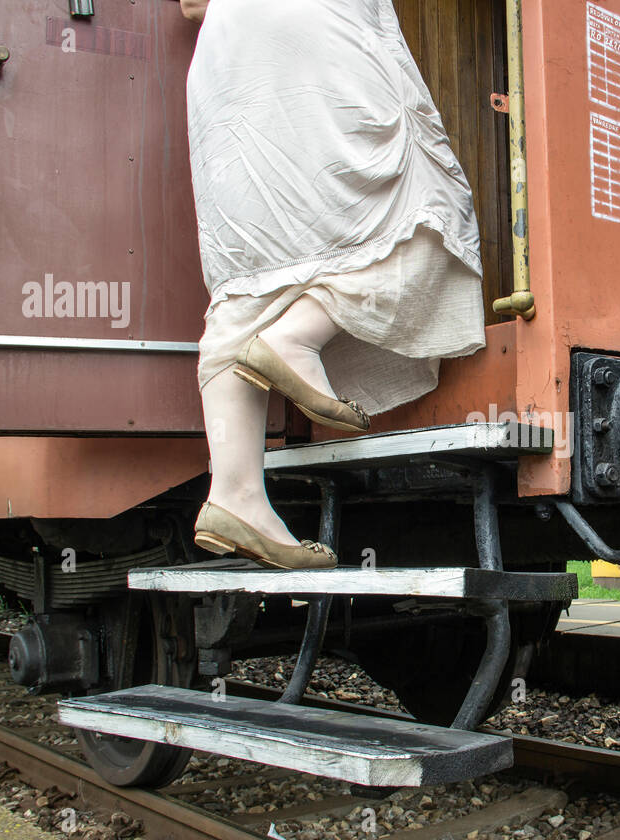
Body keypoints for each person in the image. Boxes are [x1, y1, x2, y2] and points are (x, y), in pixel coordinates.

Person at [179, 0, 487, 569]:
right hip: (313, 30)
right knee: (428, 213)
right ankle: (296, 338)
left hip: (225, 57)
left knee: (246, 278)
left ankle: (235, 493)